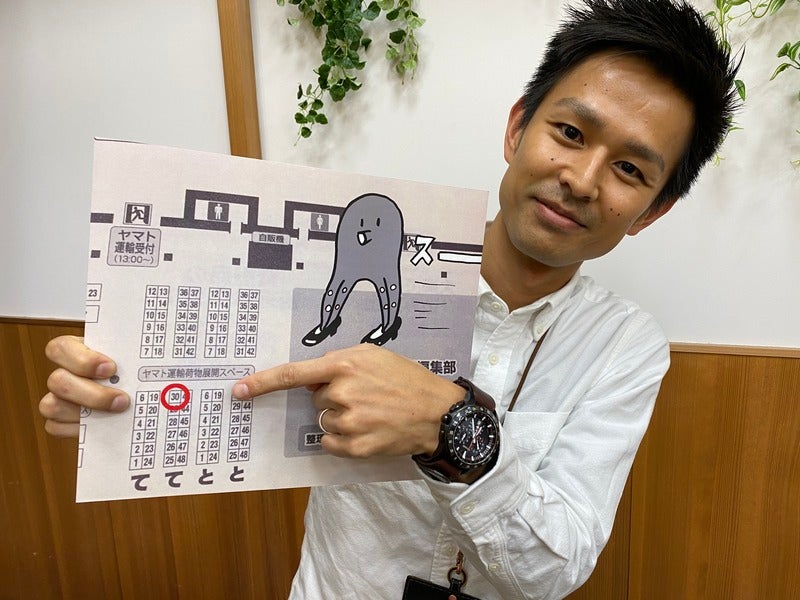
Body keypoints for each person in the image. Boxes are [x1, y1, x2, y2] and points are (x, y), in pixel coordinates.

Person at [39, 0, 740, 598]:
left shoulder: (624, 346)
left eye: (629, 169)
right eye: (570, 133)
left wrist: (452, 432)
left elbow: (556, 571)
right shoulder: (347, 266)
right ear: (517, 128)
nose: (582, 179)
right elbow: (231, 382)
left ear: (651, 210)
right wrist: (117, 395)